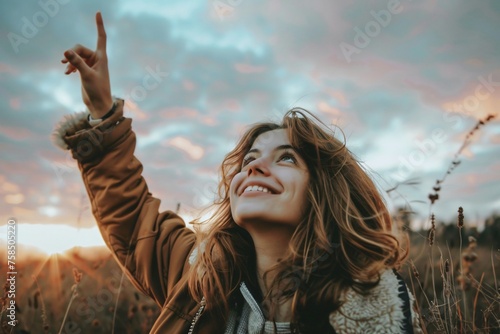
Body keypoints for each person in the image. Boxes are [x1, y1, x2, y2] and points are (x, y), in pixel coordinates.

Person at [53, 12, 422, 334]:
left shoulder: (374, 312)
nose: (255, 167)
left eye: (287, 158)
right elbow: (133, 219)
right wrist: (102, 112)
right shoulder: (201, 275)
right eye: (249, 161)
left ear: (323, 189)